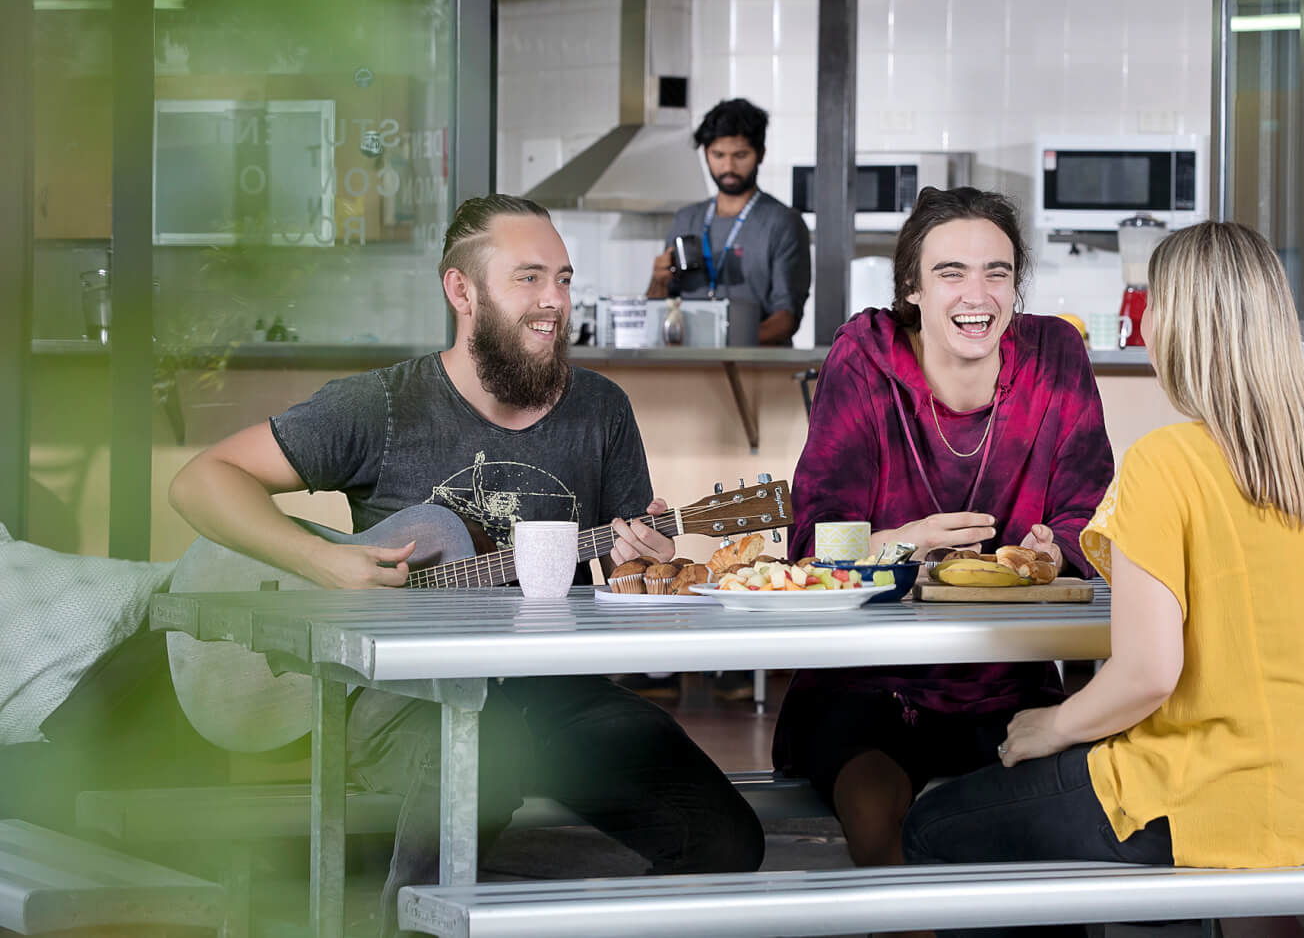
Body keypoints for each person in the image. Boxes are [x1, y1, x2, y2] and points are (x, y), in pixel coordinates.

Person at [168, 194, 764, 936]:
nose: (555, 301)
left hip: (559, 693)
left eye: (563, 279)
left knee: (726, 840)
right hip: (403, 699)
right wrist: (321, 560)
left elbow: (628, 573)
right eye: (529, 278)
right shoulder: (384, 406)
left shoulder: (601, 409)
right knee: (482, 759)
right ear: (462, 290)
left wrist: (646, 565)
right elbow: (202, 480)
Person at [902, 220, 1304, 938]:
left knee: (934, 825)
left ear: (1176, 328)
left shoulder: (1164, 463)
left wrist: (1049, 727)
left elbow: (1147, 674)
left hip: (1189, 800)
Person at [774, 186, 1115, 871]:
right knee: (877, 815)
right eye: (950, 272)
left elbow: (1090, 515)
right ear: (913, 287)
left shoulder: (1055, 353)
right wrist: (909, 541)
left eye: (997, 272)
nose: (976, 295)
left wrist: (1055, 549)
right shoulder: (863, 358)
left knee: (1059, 835)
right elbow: (813, 545)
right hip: (867, 682)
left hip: (1011, 678)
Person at [647, 97, 811, 345]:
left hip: (756, 363)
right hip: (688, 361)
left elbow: (786, 319)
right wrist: (658, 281)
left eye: (740, 155)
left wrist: (722, 344)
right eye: (718, 155)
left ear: (760, 154)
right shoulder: (686, 219)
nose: (728, 166)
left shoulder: (784, 222)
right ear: (705, 153)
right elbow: (657, 311)